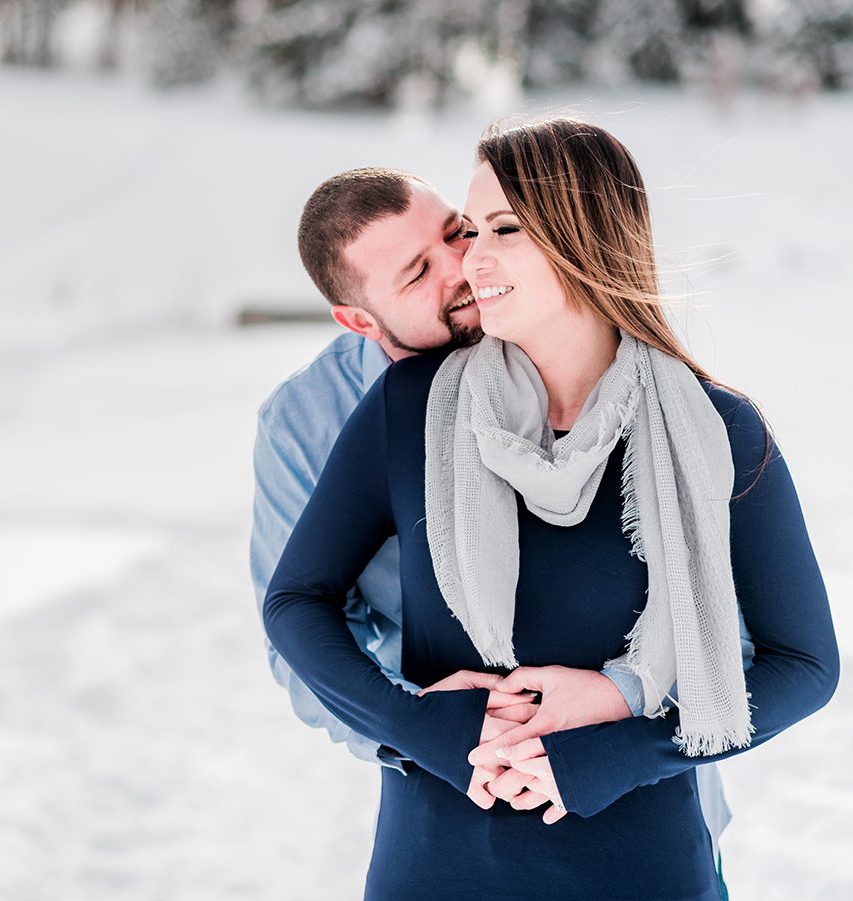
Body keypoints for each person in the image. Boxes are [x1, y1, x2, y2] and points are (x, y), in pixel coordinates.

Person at [259, 119, 838, 899]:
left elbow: (803, 663)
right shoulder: (410, 406)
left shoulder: (714, 428)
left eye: (492, 229)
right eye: (466, 237)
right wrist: (421, 728)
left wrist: (623, 740)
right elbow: (296, 602)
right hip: (436, 857)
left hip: (642, 860)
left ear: (580, 237)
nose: (471, 262)